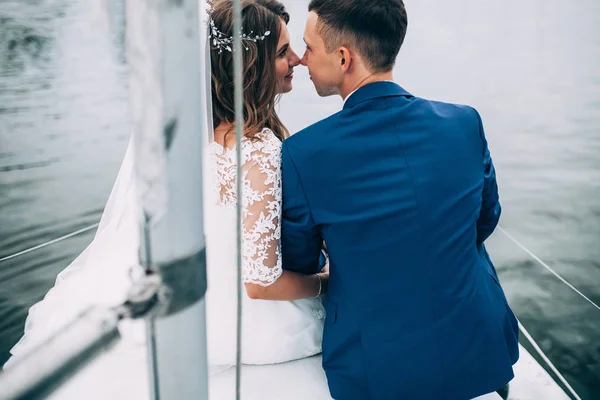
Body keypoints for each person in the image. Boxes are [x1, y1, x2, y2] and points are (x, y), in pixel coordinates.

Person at [280, 0, 519, 399]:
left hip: (378, 372)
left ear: (343, 58)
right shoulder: (464, 123)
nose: (302, 60)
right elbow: (485, 220)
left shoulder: (304, 154)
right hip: (482, 347)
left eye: (309, 46)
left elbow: (300, 261)